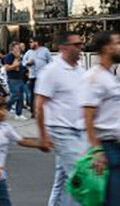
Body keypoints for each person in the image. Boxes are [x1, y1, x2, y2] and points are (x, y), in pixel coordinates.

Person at [81, 31, 120, 206]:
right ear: (107, 48)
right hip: (105, 149)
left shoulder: (111, 77)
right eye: (118, 43)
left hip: (118, 147)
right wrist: (97, 151)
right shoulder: (94, 78)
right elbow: (87, 117)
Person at [35, 32, 86, 206]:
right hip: (60, 130)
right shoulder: (51, 71)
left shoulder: (80, 70)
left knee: (63, 179)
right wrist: (43, 136)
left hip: (79, 130)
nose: (80, 48)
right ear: (63, 47)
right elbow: (39, 105)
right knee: (81, 177)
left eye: (81, 44)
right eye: (76, 45)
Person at [0, 94, 47, 206]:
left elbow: (21, 141)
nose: (5, 111)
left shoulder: (5, 127)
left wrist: (40, 144)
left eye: (5, 108)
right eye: (1, 109)